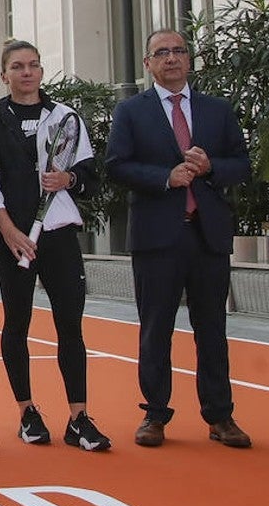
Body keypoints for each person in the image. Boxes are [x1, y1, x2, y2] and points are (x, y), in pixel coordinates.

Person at [106, 28, 253, 449]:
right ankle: (155, 414)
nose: (171, 58)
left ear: (189, 60)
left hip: (207, 234)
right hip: (157, 236)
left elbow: (241, 164)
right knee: (156, 329)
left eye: (178, 51)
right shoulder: (131, 112)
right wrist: (165, 178)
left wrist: (211, 168)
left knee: (213, 329)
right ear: (148, 63)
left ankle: (220, 416)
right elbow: (117, 165)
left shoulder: (217, 110)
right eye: (161, 53)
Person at [0, 39, 111, 451]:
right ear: (4, 75)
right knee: (16, 324)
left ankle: (78, 418)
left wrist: (68, 180)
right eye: (18, 66)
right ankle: (27, 412)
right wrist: (9, 230)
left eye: (33, 65)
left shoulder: (66, 117)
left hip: (59, 239)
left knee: (70, 326)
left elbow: (89, 173)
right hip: (13, 240)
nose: (27, 72)